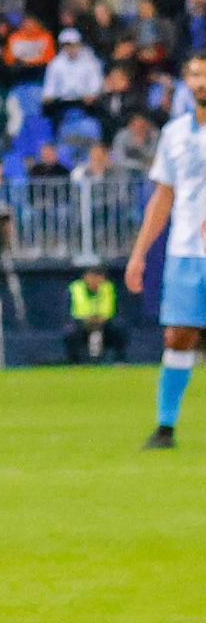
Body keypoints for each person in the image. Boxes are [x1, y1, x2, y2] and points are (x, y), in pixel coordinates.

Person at [127, 52, 206, 449]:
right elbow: (164, 196)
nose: (200, 82)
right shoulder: (175, 133)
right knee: (178, 336)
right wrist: (140, 253)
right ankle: (166, 427)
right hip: (186, 252)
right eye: (194, 75)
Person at [65, 267, 127, 363]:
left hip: (104, 323)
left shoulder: (107, 287)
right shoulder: (76, 288)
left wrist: (101, 318)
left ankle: (119, 360)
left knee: (119, 328)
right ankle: (74, 362)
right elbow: (76, 310)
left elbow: (109, 308)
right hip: (82, 323)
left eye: (98, 277)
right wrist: (88, 318)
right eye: (92, 277)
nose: (95, 281)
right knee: (71, 331)